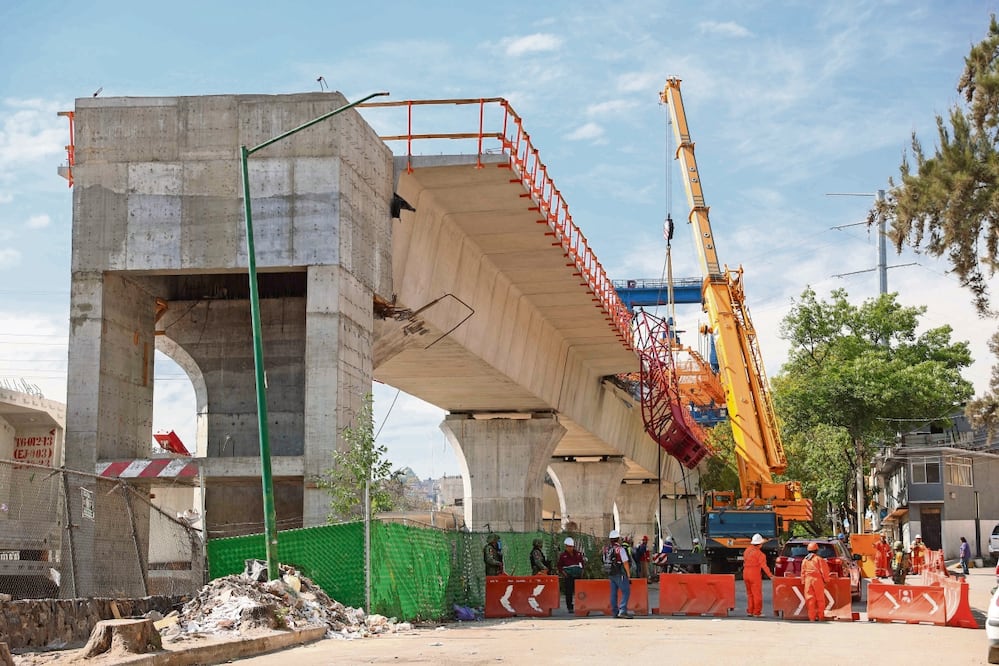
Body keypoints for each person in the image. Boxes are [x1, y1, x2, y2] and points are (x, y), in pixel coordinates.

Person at [602, 529, 633, 618]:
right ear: (618, 538)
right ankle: (622, 610)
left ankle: (615, 612)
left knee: (613, 593)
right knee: (626, 591)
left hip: (611, 573)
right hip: (620, 573)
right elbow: (625, 562)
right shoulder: (620, 549)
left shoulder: (607, 549)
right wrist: (628, 574)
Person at [742, 533, 773, 617]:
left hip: (745, 573)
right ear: (760, 544)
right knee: (757, 594)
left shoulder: (747, 550)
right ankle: (756, 612)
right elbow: (764, 566)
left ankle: (750, 611)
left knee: (749, 593)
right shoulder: (760, 554)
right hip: (754, 573)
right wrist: (771, 576)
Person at [800, 541, 831, 621]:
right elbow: (824, 571)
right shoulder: (819, 559)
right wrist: (826, 580)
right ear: (817, 550)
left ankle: (812, 618)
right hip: (817, 580)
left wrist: (803, 581)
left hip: (808, 580)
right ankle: (820, 617)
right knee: (820, 599)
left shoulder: (805, 560)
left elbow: (802, 571)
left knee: (810, 599)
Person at [556, 536, 586, 613]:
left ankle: (580, 606)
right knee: (568, 592)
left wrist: (582, 571)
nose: (570, 548)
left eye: (571, 546)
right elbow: (559, 566)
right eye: (568, 546)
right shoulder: (563, 556)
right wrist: (564, 573)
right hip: (568, 576)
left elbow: (582, 563)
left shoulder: (578, 554)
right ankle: (570, 607)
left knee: (579, 592)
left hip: (578, 576)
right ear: (566, 546)